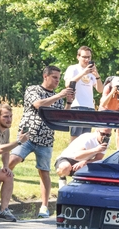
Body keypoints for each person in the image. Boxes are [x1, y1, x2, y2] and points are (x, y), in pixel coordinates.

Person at [8, 66, 75, 218]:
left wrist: (68, 102)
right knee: (12, 160)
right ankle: (4, 188)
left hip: (46, 139)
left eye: (59, 78)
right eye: (55, 77)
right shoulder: (33, 90)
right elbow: (38, 104)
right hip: (27, 135)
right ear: (45, 76)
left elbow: (61, 119)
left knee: (44, 171)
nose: (58, 81)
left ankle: (44, 207)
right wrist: (59, 95)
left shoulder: (58, 97)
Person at [64, 46, 104, 141]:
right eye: (84, 57)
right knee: (75, 137)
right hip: (77, 106)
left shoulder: (91, 72)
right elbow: (68, 84)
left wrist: (97, 76)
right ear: (78, 57)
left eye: (89, 57)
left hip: (89, 107)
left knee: (85, 139)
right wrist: (83, 73)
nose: (87, 59)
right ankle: (70, 156)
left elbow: (100, 90)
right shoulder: (73, 68)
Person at [98, 76, 119, 149]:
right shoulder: (108, 87)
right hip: (105, 109)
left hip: (117, 109)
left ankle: (118, 150)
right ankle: (99, 147)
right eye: (115, 86)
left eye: (118, 86)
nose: (117, 87)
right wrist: (112, 92)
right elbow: (103, 104)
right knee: (103, 131)